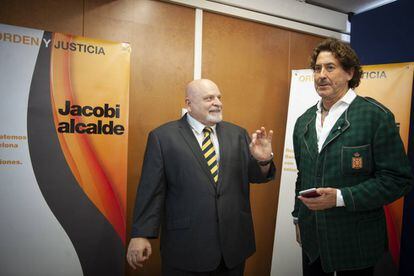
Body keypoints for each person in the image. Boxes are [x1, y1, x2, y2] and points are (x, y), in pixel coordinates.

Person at [127, 79, 275, 275]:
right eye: (209, 98)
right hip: (186, 248)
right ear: (189, 104)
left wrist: (263, 161)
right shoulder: (163, 137)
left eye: (219, 97)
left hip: (233, 248)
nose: (217, 103)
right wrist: (141, 234)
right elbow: (151, 189)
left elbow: (257, 176)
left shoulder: (238, 134)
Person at [292, 38, 413, 276]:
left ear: (349, 72)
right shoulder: (303, 122)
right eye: (317, 68)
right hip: (312, 240)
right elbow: (302, 175)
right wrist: (298, 218)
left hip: (355, 244)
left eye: (330, 67)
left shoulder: (374, 116)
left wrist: (340, 197)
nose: (321, 75)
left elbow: (398, 180)